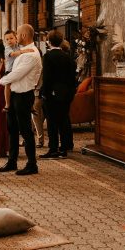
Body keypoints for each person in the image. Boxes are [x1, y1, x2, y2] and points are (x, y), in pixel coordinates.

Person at [0, 24, 42, 175]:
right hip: (15, 94)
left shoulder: (31, 54)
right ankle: (12, 161)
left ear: (23, 35)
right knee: (12, 129)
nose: (15, 37)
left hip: (24, 95)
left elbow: (17, 74)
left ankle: (32, 164)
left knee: (25, 130)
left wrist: (2, 81)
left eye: (17, 34)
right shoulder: (21, 52)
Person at [40, 29, 77, 159]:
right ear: (61, 41)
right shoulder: (68, 57)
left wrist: (44, 93)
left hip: (52, 93)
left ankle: (53, 148)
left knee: (51, 122)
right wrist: (71, 93)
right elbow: (73, 78)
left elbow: (47, 77)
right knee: (64, 120)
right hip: (66, 94)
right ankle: (64, 147)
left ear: (49, 42)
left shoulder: (48, 56)